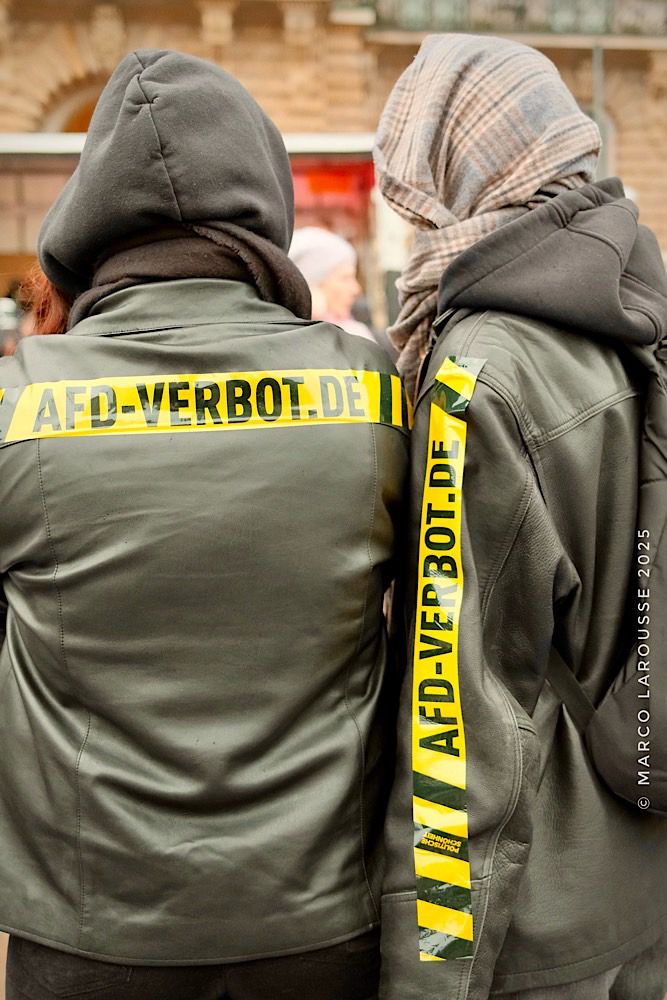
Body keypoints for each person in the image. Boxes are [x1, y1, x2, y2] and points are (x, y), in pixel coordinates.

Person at [0, 49, 409, 1000]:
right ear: (264, 204)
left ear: (88, 223)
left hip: (90, 930)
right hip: (317, 925)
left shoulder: (19, 404)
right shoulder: (370, 389)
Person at [373, 33, 667, 1000]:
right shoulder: (640, 312)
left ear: (465, 170)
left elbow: (461, 723)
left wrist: (428, 976)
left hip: (536, 925)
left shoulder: (480, 371)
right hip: (643, 887)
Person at [289, 225, 396, 357]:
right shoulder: (292, 342)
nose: (356, 289)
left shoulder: (357, 333)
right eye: (345, 278)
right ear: (312, 285)